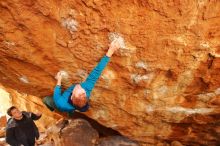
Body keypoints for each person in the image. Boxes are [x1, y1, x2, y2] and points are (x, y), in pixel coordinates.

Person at [49, 40, 120, 113]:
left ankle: (51, 109)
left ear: (72, 96)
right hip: (71, 108)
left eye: (77, 89)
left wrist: (59, 80)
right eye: (82, 91)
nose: (79, 86)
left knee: (46, 100)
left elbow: (57, 92)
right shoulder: (86, 89)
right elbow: (97, 72)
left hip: (63, 107)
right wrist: (110, 52)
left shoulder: (60, 103)